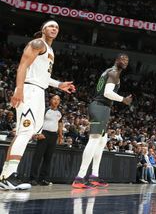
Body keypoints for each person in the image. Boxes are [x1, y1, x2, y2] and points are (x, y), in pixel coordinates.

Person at [1, 20, 75, 191]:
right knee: (25, 132)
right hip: (30, 90)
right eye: (51, 26)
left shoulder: (50, 50)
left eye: (57, 27)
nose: (54, 28)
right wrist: (19, 89)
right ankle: (9, 176)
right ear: (43, 29)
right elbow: (23, 66)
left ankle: (5, 176)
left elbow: (42, 76)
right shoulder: (37, 43)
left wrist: (59, 84)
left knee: (23, 133)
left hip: (39, 91)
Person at [72, 54, 133, 189]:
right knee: (94, 140)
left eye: (126, 60)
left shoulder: (109, 71)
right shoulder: (114, 73)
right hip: (100, 106)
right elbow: (107, 93)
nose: (124, 61)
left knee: (101, 141)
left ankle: (94, 176)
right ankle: (79, 178)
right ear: (116, 60)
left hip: (102, 108)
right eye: (122, 59)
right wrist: (123, 99)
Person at [29, 94, 63, 186]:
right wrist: (38, 133)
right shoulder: (45, 110)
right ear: (51, 100)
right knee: (38, 157)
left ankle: (43, 179)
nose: (56, 101)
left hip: (53, 136)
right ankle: (33, 178)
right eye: (54, 99)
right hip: (44, 134)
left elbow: (60, 124)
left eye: (58, 99)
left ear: (59, 102)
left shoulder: (59, 113)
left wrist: (60, 136)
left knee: (48, 159)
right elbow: (38, 121)